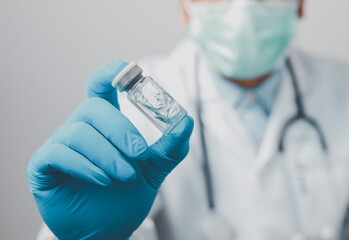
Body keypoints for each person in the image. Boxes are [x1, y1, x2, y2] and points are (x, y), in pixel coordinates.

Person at [28, 0, 349, 239]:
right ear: (184, 6)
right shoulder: (138, 105)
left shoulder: (341, 88)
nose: (244, 8)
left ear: (300, 4)